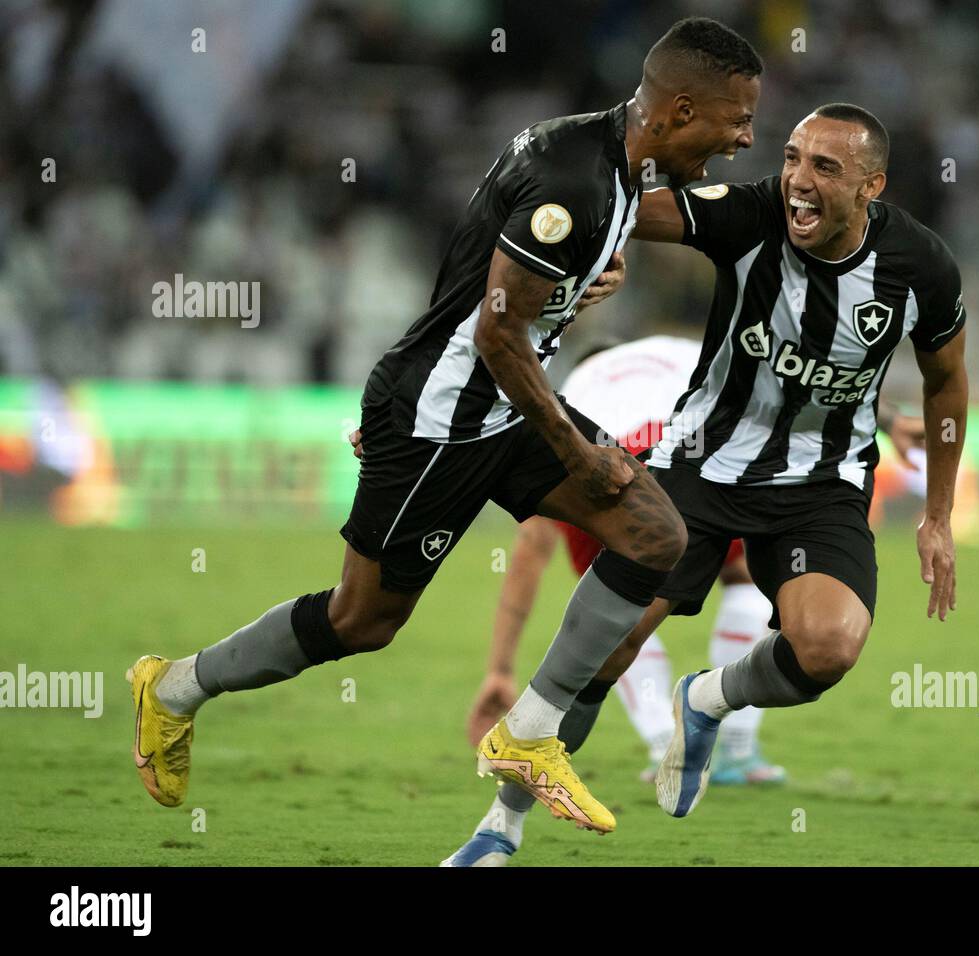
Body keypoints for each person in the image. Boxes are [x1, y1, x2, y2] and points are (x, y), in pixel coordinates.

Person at [126, 18, 763, 840]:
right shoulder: (577, 177)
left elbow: (494, 285)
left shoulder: (610, 166)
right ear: (679, 109)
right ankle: (174, 688)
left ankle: (530, 733)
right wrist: (571, 448)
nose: (744, 138)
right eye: (736, 119)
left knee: (652, 532)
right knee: (364, 622)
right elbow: (497, 333)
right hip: (443, 419)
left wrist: (578, 290)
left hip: (499, 404)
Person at [445, 102, 967, 864]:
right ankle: (500, 828)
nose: (797, 179)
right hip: (700, 465)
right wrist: (591, 243)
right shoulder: (749, 215)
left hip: (821, 484)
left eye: (826, 167)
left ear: (872, 186)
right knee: (605, 651)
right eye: (791, 158)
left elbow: (947, 379)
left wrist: (939, 516)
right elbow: (625, 208)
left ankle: (707, 699)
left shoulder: (920, 267)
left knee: (827, 648)